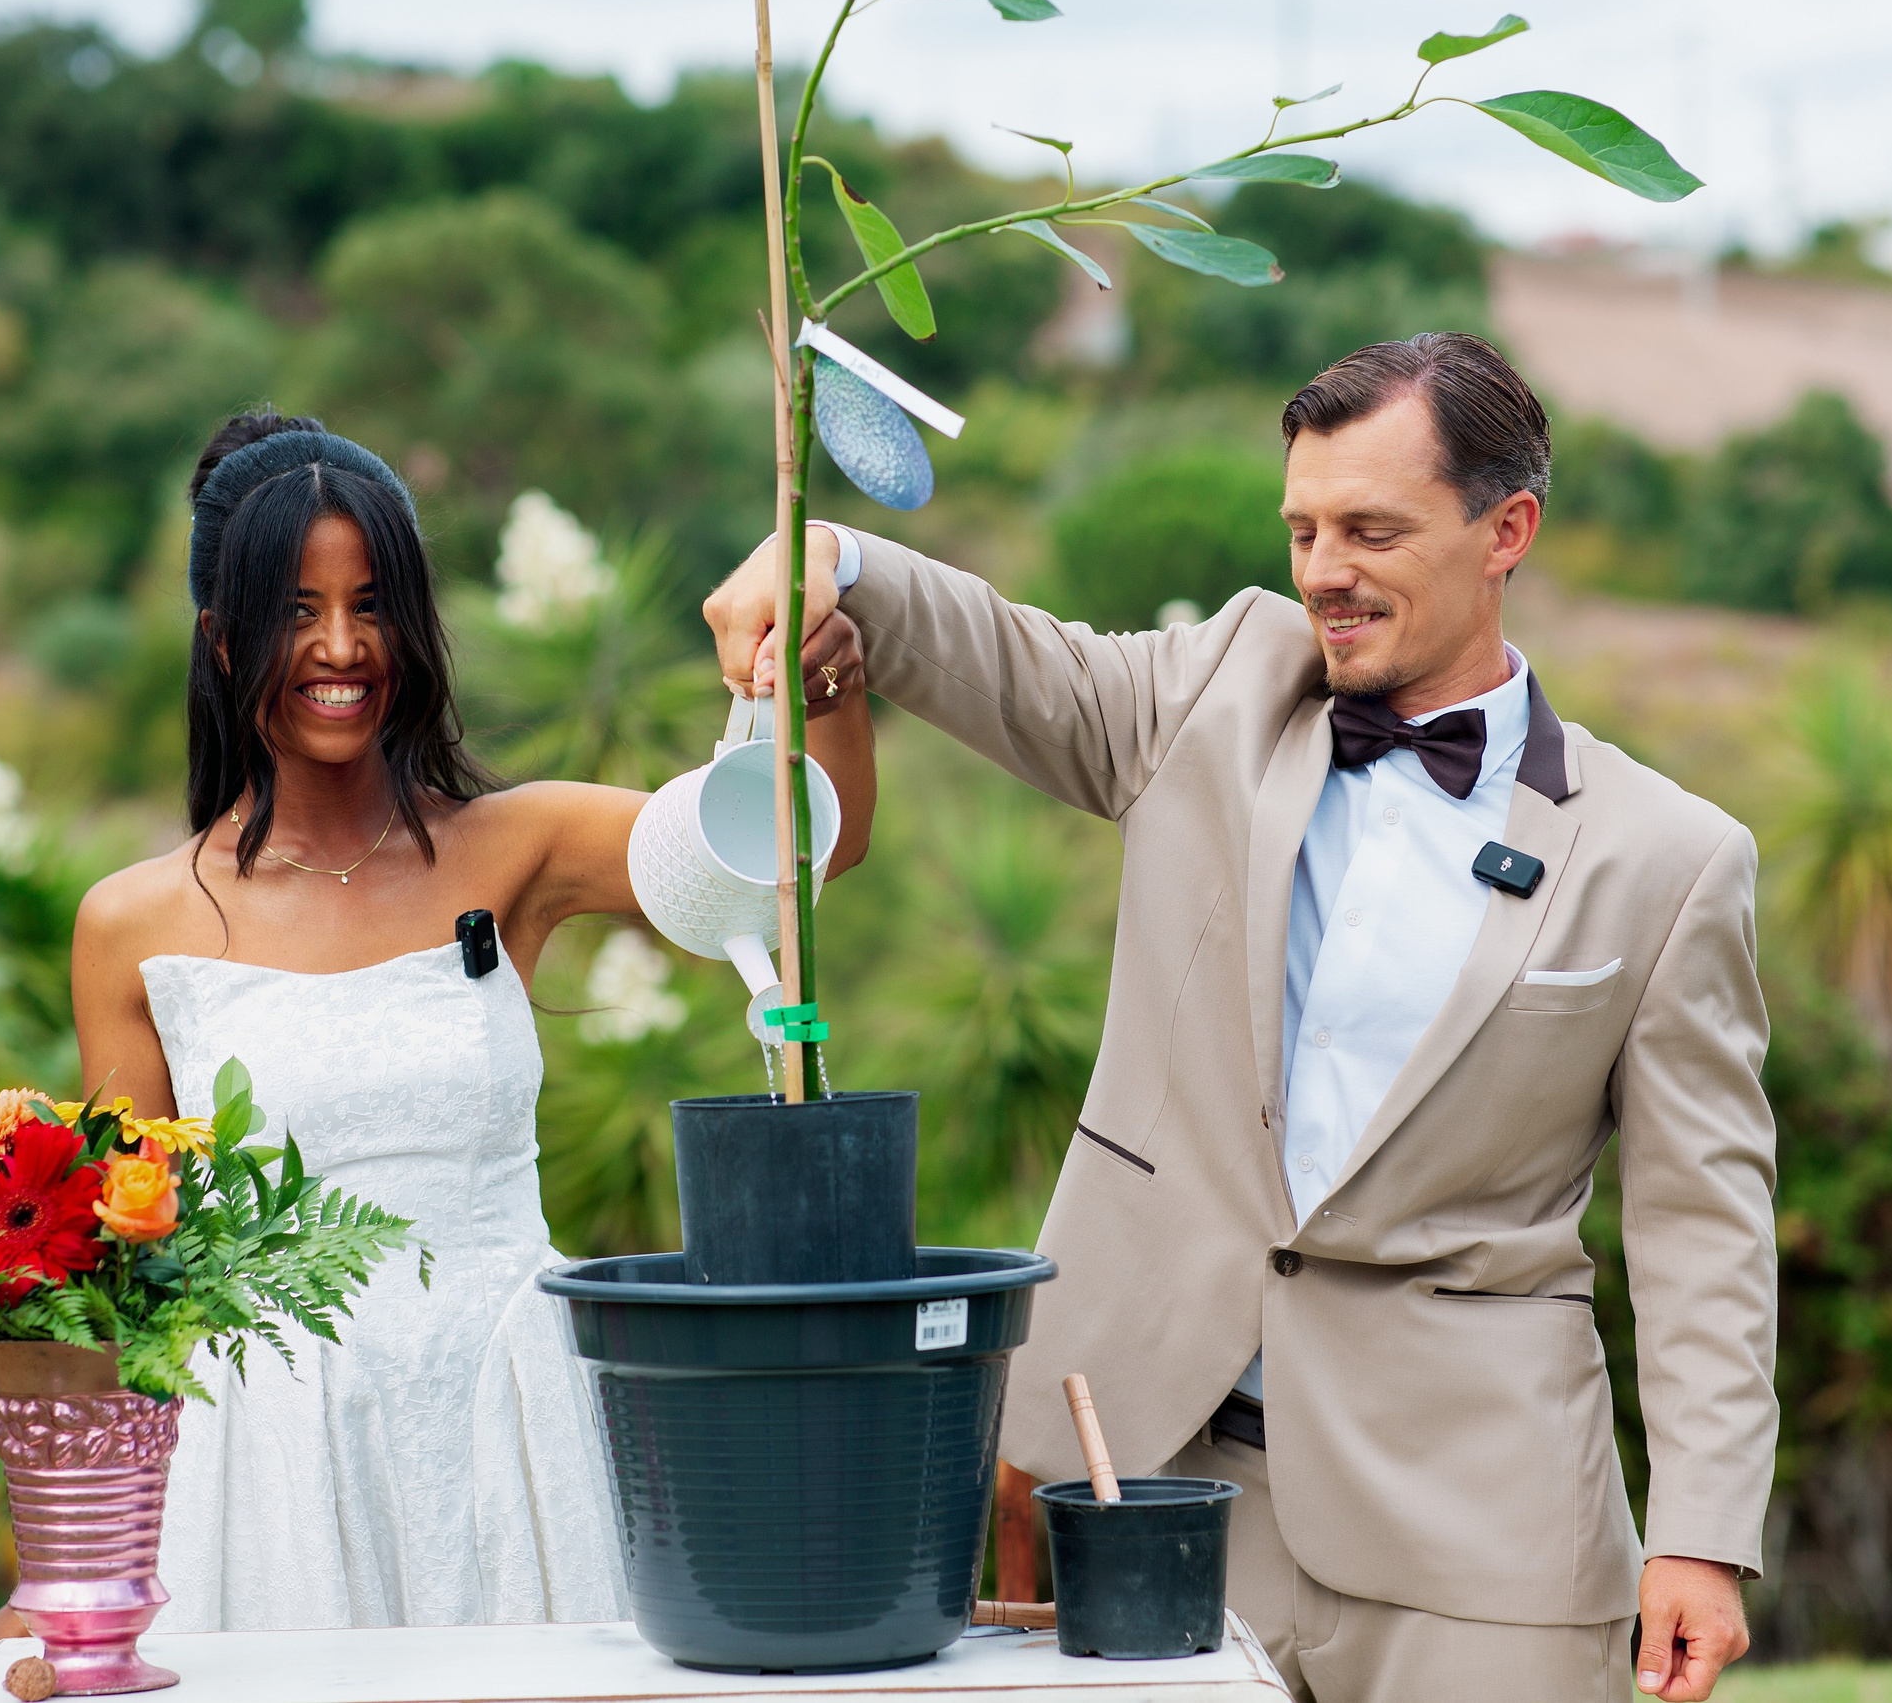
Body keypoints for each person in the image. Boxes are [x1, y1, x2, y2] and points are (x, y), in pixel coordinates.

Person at [705, 334, 1774, 1703]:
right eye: (1305, 526)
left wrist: (1700, 1529)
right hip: (1144, 1472)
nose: (1323, 568)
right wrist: (836, 559)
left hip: (1484, 1526)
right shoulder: (1219, 687)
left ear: (1507, 529)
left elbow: (1706, 1220)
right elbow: (1014, 659)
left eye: (1371, 528)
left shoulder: (1667, 854)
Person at [0, 413, 875, 1681]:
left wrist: (820, 661)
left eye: (374, 604)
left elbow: (788, 860)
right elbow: (119, 1288)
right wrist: (62, 1572)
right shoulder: (135, 923)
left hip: (511, 1420)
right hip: (266, 1461)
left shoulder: (520, 845)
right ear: (224, 641)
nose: (341, 647)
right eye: (297, 610)